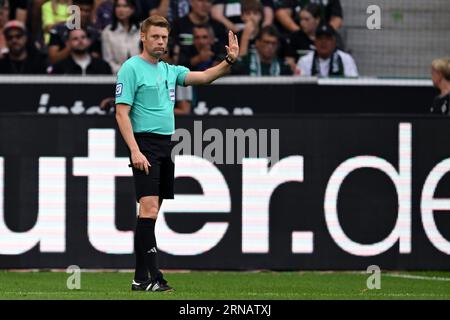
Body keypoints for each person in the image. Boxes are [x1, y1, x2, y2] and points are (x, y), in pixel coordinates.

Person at [115, 15, 239, 291]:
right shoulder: (131, 68)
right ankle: (155, 278)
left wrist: (228, 60)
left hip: (165, 145)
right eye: (156, 36)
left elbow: (205, 77)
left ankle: (139, 279)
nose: (161, 41)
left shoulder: (169, 70)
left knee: (150, 213)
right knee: (148, 209)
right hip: (144, 144)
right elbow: (121, 113)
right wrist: (134, 150)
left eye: (164, 37)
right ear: (143, 37)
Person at [48, 0, 101, 65]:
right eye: (80, 10)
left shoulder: (95, 33)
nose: (83, 14)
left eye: (87, 11)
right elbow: (53, 60)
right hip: (63, 71)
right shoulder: (58, 30)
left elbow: (96, 61)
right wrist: (71, 47)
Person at [102, 0, 140, 74]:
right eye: (118, 6)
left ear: (133, 9)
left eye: (125, 6)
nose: (120, 9)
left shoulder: (143, 30)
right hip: (118, 76)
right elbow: (108, 60)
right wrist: (125, 72)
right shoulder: (107, 32)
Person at [274, 0, 342, 35]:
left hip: (322, 35)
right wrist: (299, 32)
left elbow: (337, 18)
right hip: (295, 34)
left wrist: (326, 33)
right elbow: (281, 13)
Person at [285, 3, 320, 69]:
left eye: (306, 19)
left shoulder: (324, 38)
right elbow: (290, 60)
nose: (302, 23)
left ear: (317, 20)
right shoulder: (295, 37)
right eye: (301, 19)